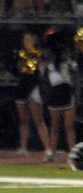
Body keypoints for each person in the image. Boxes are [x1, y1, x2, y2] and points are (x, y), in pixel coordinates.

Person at [12, 31, 51, 161]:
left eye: (29, 39)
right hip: (22, 88)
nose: (27, 41)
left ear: (34, 40)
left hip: (33, 88)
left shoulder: (39, 54)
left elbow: (40, 73)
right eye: (25, 39)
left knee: (38, 120)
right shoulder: (20, 54)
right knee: (23, 120)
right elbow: (16, 71)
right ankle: (23, 148)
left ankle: (47, 149)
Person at [43, 30, 78, 161]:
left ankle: (73, 154)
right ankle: (51, 152)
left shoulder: (68, 62)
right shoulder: (49, 62)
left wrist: (67, 59)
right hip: (55, 94)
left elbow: (75, 73)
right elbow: (46, 78)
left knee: (69, 127)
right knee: (54, 127)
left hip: (67, 93)